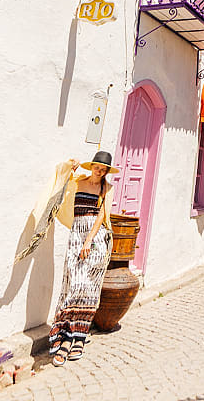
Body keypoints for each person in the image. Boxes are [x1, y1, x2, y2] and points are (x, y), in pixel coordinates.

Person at [45, 151, 117, 366]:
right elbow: (61, 176)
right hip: (76, 234)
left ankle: (78, 338)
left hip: (95, 239)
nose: (100, 171)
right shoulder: (79, 181)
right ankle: (66, 335)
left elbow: (102, 216)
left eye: (104, 169)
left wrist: (89, 241)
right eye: (98, 167)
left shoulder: (107, 188)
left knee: (88, 289)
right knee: (73, 285)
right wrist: (71, 164)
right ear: (92, 166)